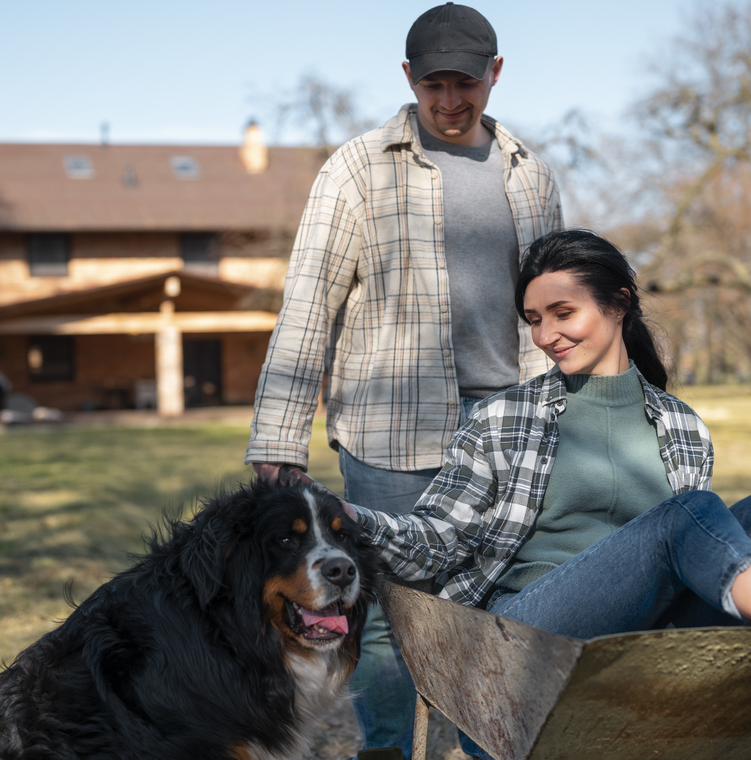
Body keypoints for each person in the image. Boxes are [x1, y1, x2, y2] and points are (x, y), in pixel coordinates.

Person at [343, 230, 751, 740]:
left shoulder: (682, 427)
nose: (545, 335)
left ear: (619, 304)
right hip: (524, 642)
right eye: (534, 319)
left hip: (643, 642)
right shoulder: (503, 418)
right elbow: (436, 540)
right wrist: (346, 520)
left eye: (562, 313)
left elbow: (699, 563)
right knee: (684, 516)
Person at [245, 3, 562, 756]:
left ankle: (488, 747)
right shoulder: (358, 169)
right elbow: (309, 302)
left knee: (499, 606)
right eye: (433, 86)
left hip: (507, 426)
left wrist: (566, 407)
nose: (450, 101)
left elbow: (554, 302)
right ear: (408, 78)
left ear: (496, 73)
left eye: (466, 84)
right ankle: (389, 748)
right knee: (390, 611)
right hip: (392, 432)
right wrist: (279, 438)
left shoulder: (529, 173)